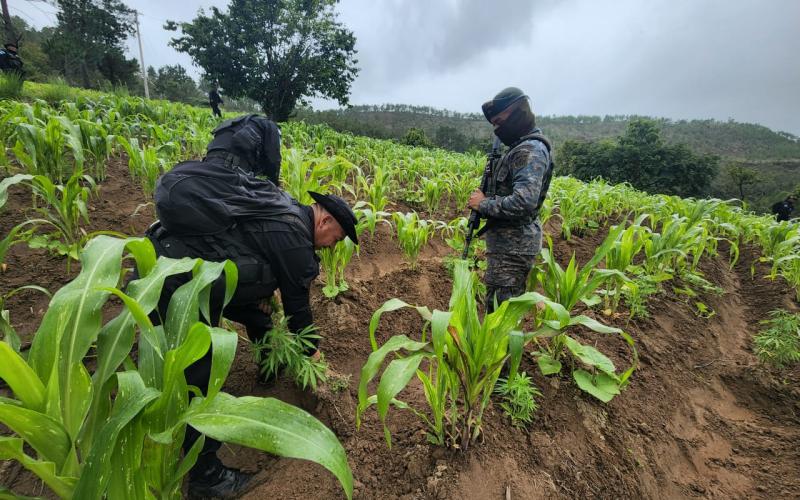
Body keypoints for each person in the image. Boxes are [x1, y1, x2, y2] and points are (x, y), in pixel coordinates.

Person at [144, 156, 358, 497]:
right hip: (178, 283)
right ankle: (207, 479)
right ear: (325, 220)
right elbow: (298, 309)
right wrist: (314, 355)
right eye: (338, 236)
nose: (334, 245)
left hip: (175, 257)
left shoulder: (281, 206)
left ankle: (268, 370)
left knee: (258, 318)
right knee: (200, 369)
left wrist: (254, 296)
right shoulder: (295, 237)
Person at [467, 87, 554, 312]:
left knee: (500, 313)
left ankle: (498, 349)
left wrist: (483, 203)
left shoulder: (529, 150)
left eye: (499, 121)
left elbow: (523, 202)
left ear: (517, 112)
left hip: (513, 247)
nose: (497, 128)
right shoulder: (520, 147)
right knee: (500, 307)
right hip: (509, 245)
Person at [204, 114, 282, 185]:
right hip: (232, 168)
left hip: (207, 164)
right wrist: (274, 184)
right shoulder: (271, 126)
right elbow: (273, 159)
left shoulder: (239, 122)